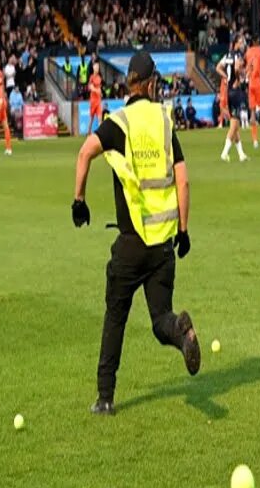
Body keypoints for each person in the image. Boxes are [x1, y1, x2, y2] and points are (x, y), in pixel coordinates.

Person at [71, 50, 199, 416]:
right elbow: (183, 180)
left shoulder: (119, 123)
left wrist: (79, 201)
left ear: (130, 83)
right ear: (152, 83)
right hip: (162, 246)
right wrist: (184, 231)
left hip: (130, 244)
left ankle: (105, 398)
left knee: (116, 318)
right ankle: (180, 329)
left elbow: (84, 154)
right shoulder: (163, 120)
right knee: (161, 319)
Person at [217, 38, 248, 162]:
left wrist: (226, 77)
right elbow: (236, 68)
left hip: (228, 90)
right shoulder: (238, 55)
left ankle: (241, 154)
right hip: (235, 91)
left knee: (235, 124)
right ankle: (224, 153)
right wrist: (238, 78)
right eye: (240, 42)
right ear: (236, 43)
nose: (242, 44)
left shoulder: (227, 55)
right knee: (234, 123)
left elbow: (218, 67)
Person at [87, 62, 104, 134]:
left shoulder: (99, 78)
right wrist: (97, 91)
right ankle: (88, 132)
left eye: (98, 67)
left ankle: (100, 133)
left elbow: (99, 88)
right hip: (93, 101)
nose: (97, 69)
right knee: (91, 118)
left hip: (98, 100)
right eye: (96, 67)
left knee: (100, 117)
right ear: (93, 68)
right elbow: (91, 87)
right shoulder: (91, 77)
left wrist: (101, 93)